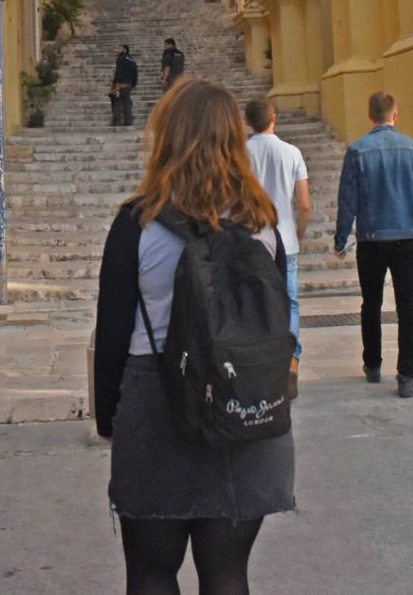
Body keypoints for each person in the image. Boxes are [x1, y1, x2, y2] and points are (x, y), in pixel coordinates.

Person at [94, 79, 294, 594]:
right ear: (234, 140)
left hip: (156, 399)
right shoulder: (263, 225)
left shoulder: (137, 224)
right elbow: (276, 324)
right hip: (240, 404)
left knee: (151, 572)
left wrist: (108, 419)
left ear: (168, 138)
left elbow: (113, 331)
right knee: (228, 572)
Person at [333, 91, 413, 399]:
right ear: (395, 114)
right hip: (406, 237)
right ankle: (406, 375)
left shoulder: (358, 151)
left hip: (372, 239)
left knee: (371, 303)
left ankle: (373, 364)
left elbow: (347, 200)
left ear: (369, 115)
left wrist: (341, 239)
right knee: (408, 306)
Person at [244, 99, 309, 399]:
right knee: (290, 301)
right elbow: (304, 203)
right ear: (274, 119)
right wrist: (298, 231)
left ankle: (260, 358)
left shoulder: (240, 153)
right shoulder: (292, 152)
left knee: (254, 300)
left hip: (253, 238)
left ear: (248, 122)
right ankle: (291, 360)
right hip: (286, 238)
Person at [109, 44, 138, 127]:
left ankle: (116, 121)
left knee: (117, 102)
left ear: (125, 49)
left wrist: (115, 83)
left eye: (120, 48)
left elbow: (118, 71)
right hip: (128, 84)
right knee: (127, 102)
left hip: (120, 84)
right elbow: (135, 72)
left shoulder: (120, 59)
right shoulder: (132, 59)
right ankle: (128, 120)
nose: (118, 50)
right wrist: (133, 83)